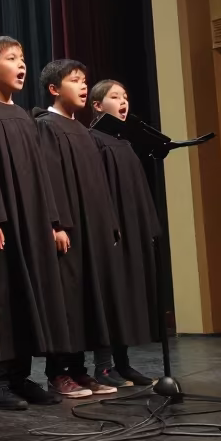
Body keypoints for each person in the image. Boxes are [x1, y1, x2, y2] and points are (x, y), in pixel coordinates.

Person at [0, 37, 70, 410]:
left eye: (22, 58)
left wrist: (54, 222)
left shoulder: (25, 116)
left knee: (28, 297)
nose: (21, 65)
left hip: (32, 221)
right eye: (12, 59)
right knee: (2, 300)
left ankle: (21, 377)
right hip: (3, 223)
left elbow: (41, 176)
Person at [33, 59, 133, 398]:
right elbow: (46, 180)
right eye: (75, 80)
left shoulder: (84, 132)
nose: (83, 86)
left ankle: (79, 370)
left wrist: (111, 224)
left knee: (89, 299)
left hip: (94, 228)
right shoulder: (46, 125)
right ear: (54, 88)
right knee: (67, 300)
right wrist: (56, 223)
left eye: (84, 80)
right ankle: (58, 371)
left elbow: (99, 184)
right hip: (68, 229)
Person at [89, 81, 159, 388]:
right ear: (97, 105)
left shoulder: (125, 142)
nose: (123, 101)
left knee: (127, 294)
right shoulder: (93, 141)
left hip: (132, 229)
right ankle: (103, 367)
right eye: (115, 96)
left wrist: (148, 226)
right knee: (110, 295)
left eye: (125, 96)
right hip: (110, 231)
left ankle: (123, 363)